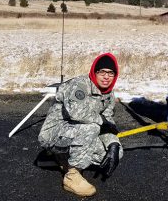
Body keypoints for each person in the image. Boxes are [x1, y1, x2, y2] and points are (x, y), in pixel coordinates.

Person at [38, 53, 123, 197]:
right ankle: (72, 177)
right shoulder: (79, 85)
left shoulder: (108, 95)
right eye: (102, 72)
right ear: (94, 72)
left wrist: (113, 143)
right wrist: (103, 121)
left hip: (76, 135)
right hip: (53, 134)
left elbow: (108, 122)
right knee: (91, 127)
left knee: (116, 152)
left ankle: (63, 159)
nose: (106, 76)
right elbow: (77, 114)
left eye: (110, 73)